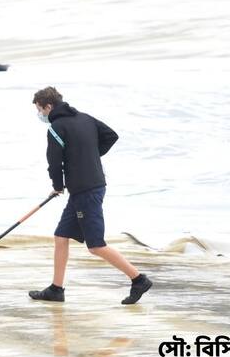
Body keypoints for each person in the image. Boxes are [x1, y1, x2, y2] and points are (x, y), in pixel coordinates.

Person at [28, 86, 152, 304]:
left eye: (40, 110)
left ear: (49, 106)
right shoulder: (85, 118)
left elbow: (54, 163)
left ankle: (138, 279)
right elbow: (110, 136)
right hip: (86, 188)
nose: (40, 115)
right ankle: (56, 289)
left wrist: (58, 185)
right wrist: (89, 155)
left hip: (86, 191)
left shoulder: (56, 128)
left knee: (96, 245)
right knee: (61, 237)